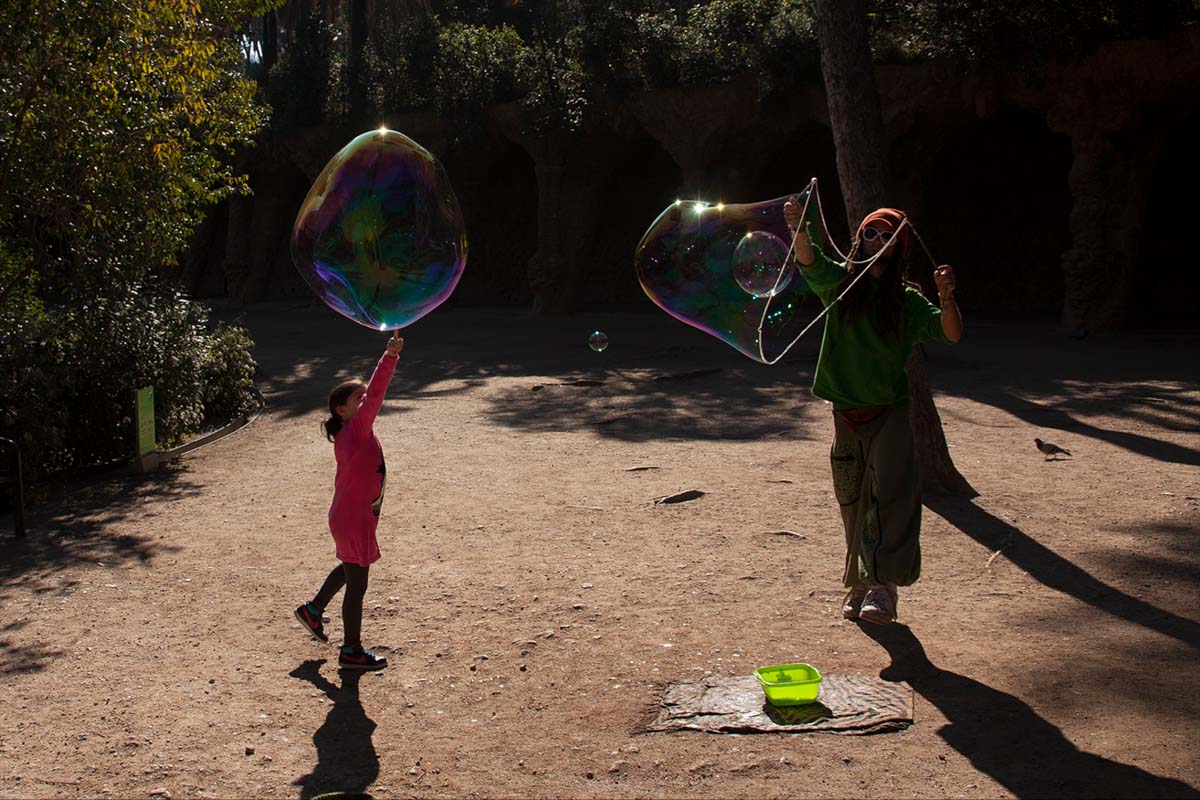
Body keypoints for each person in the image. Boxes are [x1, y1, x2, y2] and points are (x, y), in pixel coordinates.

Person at [783, 198, 962, 624]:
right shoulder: (839, 286)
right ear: (859, 239)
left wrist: (947, 297)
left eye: (887, 236)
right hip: (844, 412)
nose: (877, 241)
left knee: (891, 501)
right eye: (870, 233)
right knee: (852, 500)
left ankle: (885, 588)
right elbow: (810, 259)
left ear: (900, 246)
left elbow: (949, 333)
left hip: (889, 414)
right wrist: (797, 226)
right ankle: (859, 582)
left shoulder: (908, 301)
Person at [295, 330, 404, 669]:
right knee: (357, 586)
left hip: (351, 516)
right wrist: (390, 357)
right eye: (359, 399)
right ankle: (351, 651)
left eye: (364, 398)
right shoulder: (355, 430)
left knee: (349, 567)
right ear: (341, 410)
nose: (367, 401)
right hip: (353, 518)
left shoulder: (353, 432)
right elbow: (377, 397)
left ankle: (312, 611)